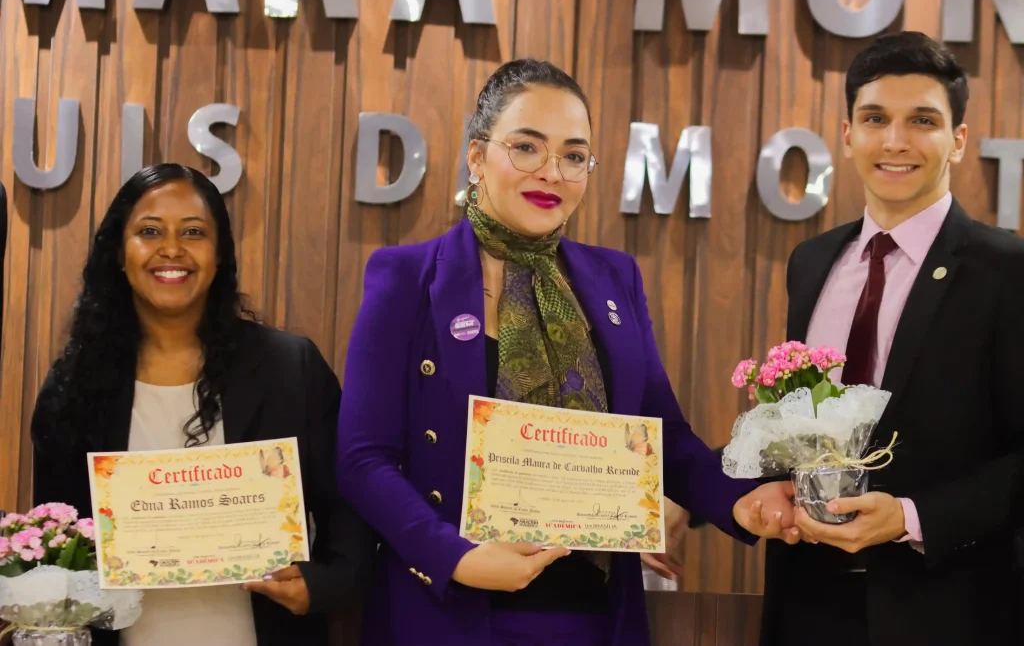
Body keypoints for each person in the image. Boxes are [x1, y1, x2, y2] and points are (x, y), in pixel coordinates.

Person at [334, 59, 798, 646]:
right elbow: (362, 459)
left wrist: (740, 501)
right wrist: (454, 557)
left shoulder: (614, 278)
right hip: (450, 610)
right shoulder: (406, 277)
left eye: (574, 155)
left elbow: (664, 439)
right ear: (477, 158)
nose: (551, 172)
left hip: (596, 616)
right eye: (526, 147)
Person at [30, 164, 376, 646]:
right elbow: (59, 544)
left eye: (193, 232)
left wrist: (320, 585)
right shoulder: (72, 388)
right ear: (118, 253)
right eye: (149, 231)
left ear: (219, 255)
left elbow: (350, 507)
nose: (172, 248)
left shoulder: (288, 368)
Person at [760, 32, 1024, 646]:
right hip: (807, 602)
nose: (895, 141)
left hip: (945, 611)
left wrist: (910, 517)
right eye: (875, 118)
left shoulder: (1007, 270)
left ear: (957, 140)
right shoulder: (812, 262)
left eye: (922, 121)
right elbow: (799, 428)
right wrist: (709, 497)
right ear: (848, 134)